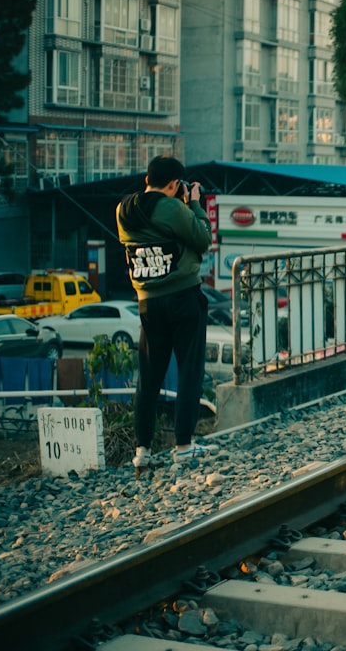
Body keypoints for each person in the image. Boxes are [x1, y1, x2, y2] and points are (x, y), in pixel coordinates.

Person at [116, 156, 213, 470]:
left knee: (149, 375)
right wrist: (194, 203)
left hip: (147, 301)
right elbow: (203, 239)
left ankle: (142, 450)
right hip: (183, 297)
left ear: (147, 179)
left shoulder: (123, 211)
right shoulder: (173, 208)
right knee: (189, 371)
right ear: (174, 184)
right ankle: (184, 446)